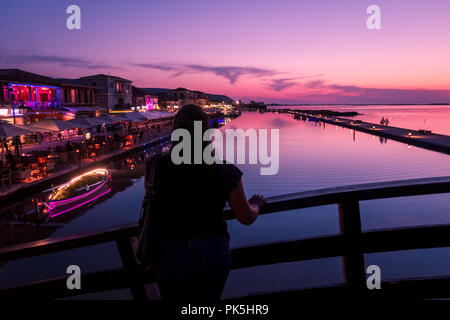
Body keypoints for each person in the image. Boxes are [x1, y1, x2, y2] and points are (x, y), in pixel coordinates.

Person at [144, 104, 266, 302]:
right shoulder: (225, 170)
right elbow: (245, 217)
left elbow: (151, 199)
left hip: (168, 250)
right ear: (207, 133)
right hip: (211, 249)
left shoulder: (155, 166)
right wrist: (257, 205)